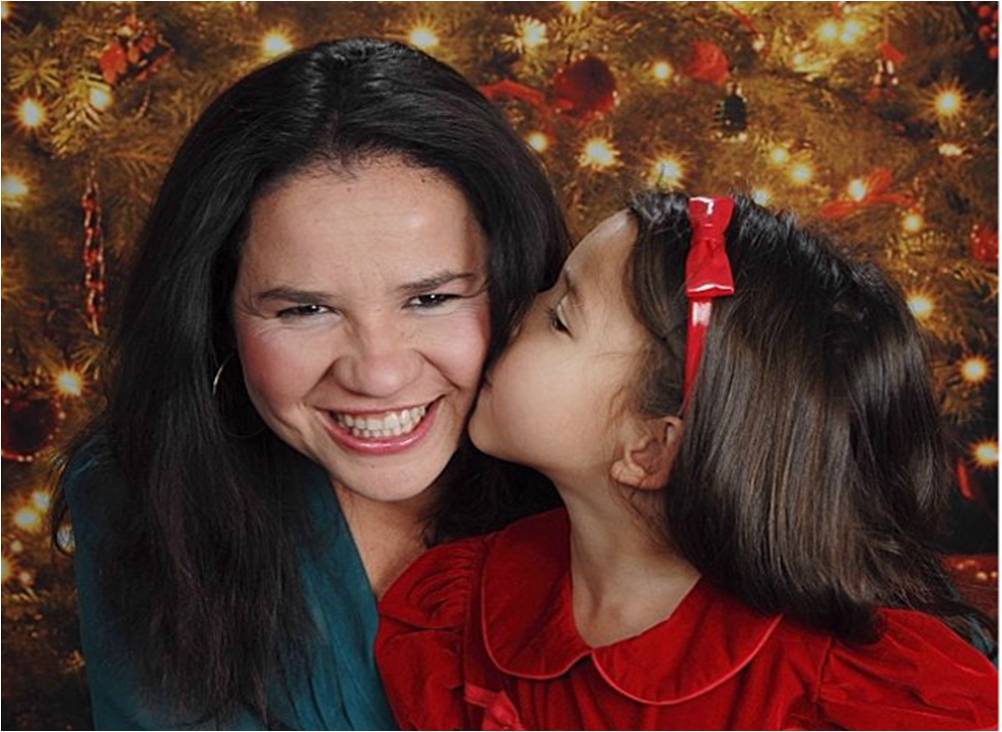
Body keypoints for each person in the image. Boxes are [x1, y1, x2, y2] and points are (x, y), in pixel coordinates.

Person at [51, 37, 568, 730]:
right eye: (305, 311)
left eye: (431, 299)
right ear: (216, 314)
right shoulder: (137, 491)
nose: (378, 373)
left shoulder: (613, 478)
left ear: (515, 285)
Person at [377, 192, 999, 730]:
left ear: (650, 449)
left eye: (561, 317)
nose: (514, 307)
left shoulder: (846, 696)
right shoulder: (460, 612)